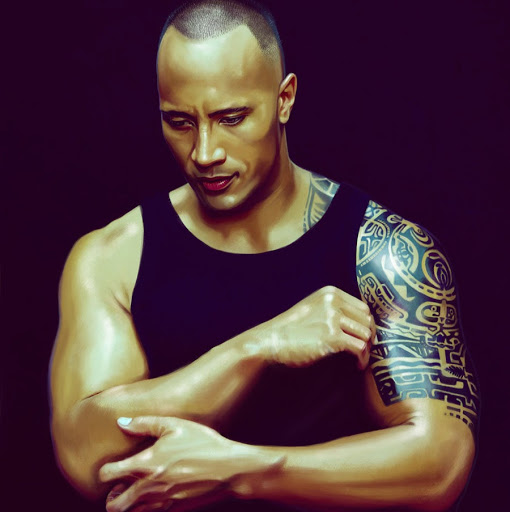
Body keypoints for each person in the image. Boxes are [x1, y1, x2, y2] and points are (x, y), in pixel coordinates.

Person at [49, 1, 479, 511]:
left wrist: (239, 470)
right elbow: (83, 454)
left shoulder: (384, 251)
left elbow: (440, 462)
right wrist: (256, 348)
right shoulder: (113, 257)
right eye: (179, 122)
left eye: (231, 118)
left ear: (284, 99)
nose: (204, 152)